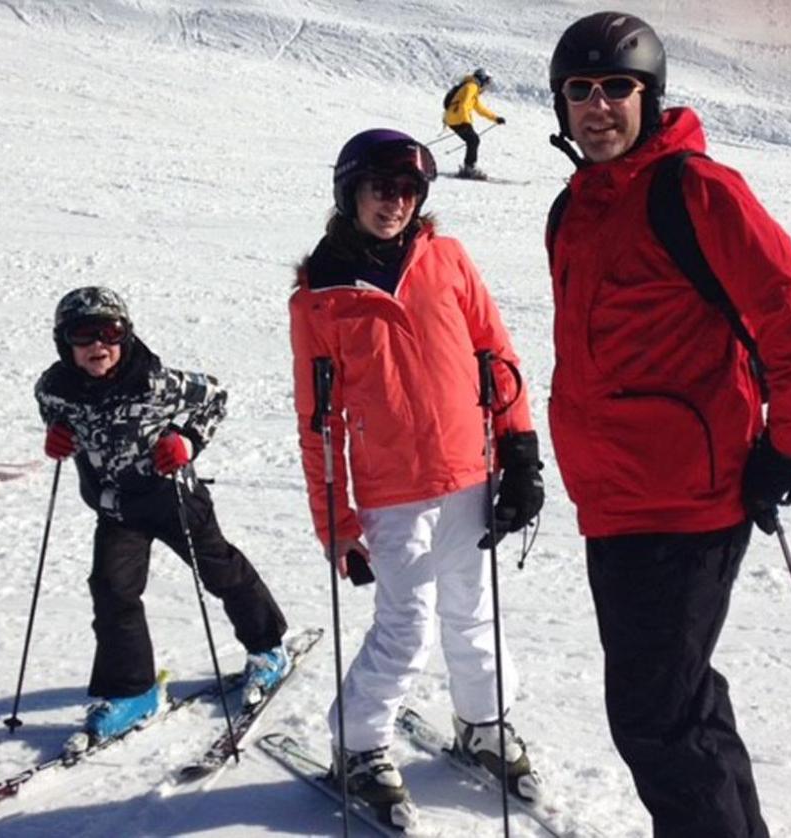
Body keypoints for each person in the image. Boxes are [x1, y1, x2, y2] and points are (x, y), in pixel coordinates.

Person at [545, 12, 791, 838]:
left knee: (656, 722)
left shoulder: (697, 190)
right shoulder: (573, 210)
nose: (598, 107)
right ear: (561, 102)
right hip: (616, 503)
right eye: (581, 90)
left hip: (686, 505)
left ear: (650, 96)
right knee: (682, 708)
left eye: (617, 89)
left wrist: (788, 448)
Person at [289, 128, 545, 824]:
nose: (395, 203)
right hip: (391, 493)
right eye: (380, 189)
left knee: (473, 611)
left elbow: (498, 356)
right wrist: (335, 524)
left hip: (469, 472)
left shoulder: (449, 260)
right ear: (350, 193)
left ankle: (483, 722)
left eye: (407, 191)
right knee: (407, 627)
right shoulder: (319, 298)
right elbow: (317, 425)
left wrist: (520, 452)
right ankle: (359, 744)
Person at [35, 286, 290, 744]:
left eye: (109, 332)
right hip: (116, 508)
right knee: (112, 590)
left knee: (219, 571)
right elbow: (52, 415)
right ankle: (133, 692)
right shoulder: (55, 389)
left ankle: (267, 648)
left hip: (172, 498)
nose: (98, 345)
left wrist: (186, 439)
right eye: (83, 335)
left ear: (126, 335)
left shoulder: (156, 382)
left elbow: (215, 395)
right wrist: (57, 434)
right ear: (64, 342)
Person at [442, 67, 506, 180]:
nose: (486, 85)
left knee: (472, 140)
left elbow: (480, 109)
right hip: (458, 118)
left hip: (453, 118)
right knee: (473, 140)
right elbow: (464, 104)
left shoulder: (472, 88)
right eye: (486, 81)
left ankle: (468, 167)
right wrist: (466, 121)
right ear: (481, 78)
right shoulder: (471, 86)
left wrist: (496, 118)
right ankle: (469, 168)